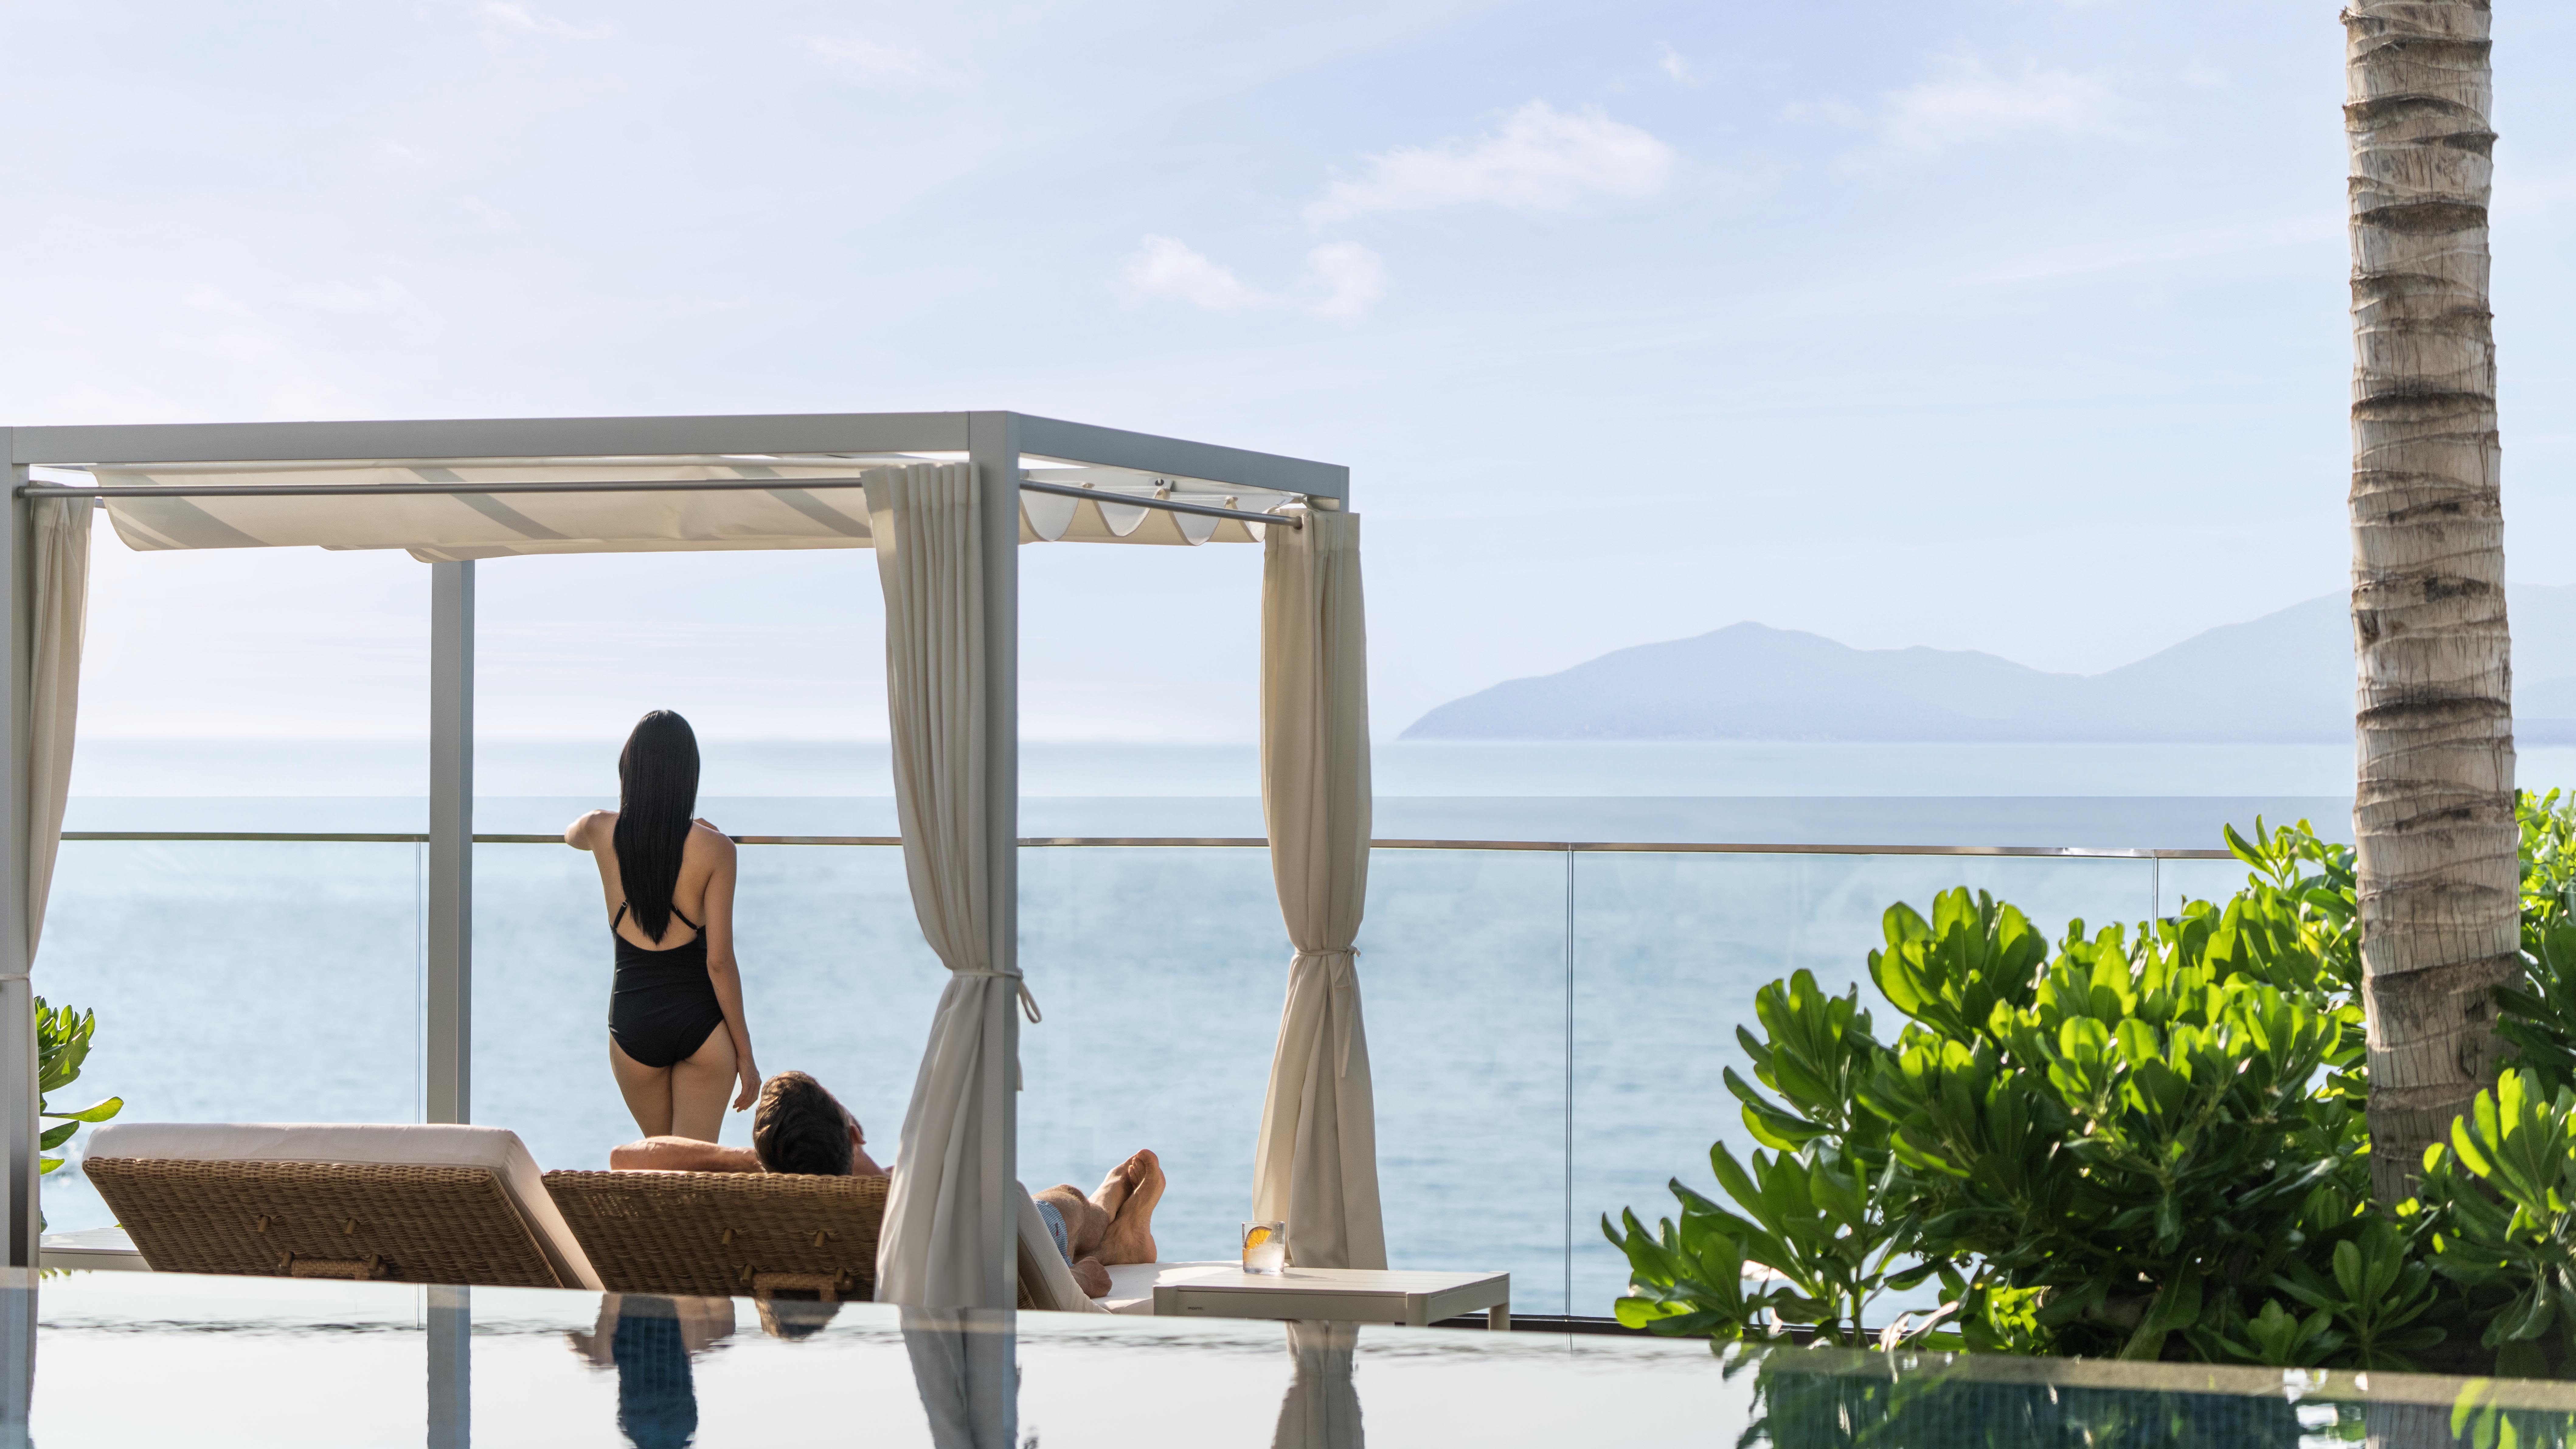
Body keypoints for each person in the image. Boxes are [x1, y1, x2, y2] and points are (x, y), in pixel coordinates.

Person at [613, 1071, 1165, 1298]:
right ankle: (1106, 1220)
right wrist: (1074, 1277)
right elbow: (1001, 1276)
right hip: (1030, 1250)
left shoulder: (775, 1207)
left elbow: (624, 1159)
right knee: (1065, 1202)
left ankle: (1116, 1236)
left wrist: (758, 1161)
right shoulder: (914, 1199)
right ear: (854, 1130)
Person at [569, 710, 761, 1143]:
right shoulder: (717, 850)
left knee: (657, 1167)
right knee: (693, 1168)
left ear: (630, 769)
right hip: (701, 1026)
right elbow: (719, 963)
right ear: (688, 775)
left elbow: (571, 834)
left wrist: (612, 826)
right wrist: (746, 1056)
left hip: (633, 1026)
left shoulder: (600, 828)